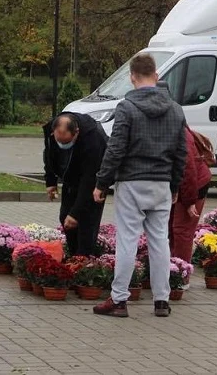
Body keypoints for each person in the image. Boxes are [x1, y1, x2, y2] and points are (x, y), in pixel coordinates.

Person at [92, 53, 187, 319]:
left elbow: (116, 148)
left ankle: (119, 300)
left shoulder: (126, 108)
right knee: (159, 242)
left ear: (132, 77)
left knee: (127, 241)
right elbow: (182, 153)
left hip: (132, 182)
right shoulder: (176, 109)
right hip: (162, 184)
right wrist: (175, 185)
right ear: (156, 77)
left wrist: (102, 182)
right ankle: (161, 301)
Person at [42, 112, 107, 256]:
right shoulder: (51, 130)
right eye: (59, 141)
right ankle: (73, 258)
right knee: (65, 218)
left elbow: (89, 178)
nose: (62, 145)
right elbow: (49, 153)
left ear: (77, 132)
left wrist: (76, 213)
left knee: (85, 224)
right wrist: (50, 181)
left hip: (93, 186)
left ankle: (84, 262)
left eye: (66, 142)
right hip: (70, 180)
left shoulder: (93, 139)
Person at [169, 125, 212, 263]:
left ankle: (181, 274)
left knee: (181, 230)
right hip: (179, 184)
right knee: (170, 229)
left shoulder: (180, 134)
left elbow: (188, 169)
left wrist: (189, 202)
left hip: (194, 185)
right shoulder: (170, 127)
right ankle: (169, 268)